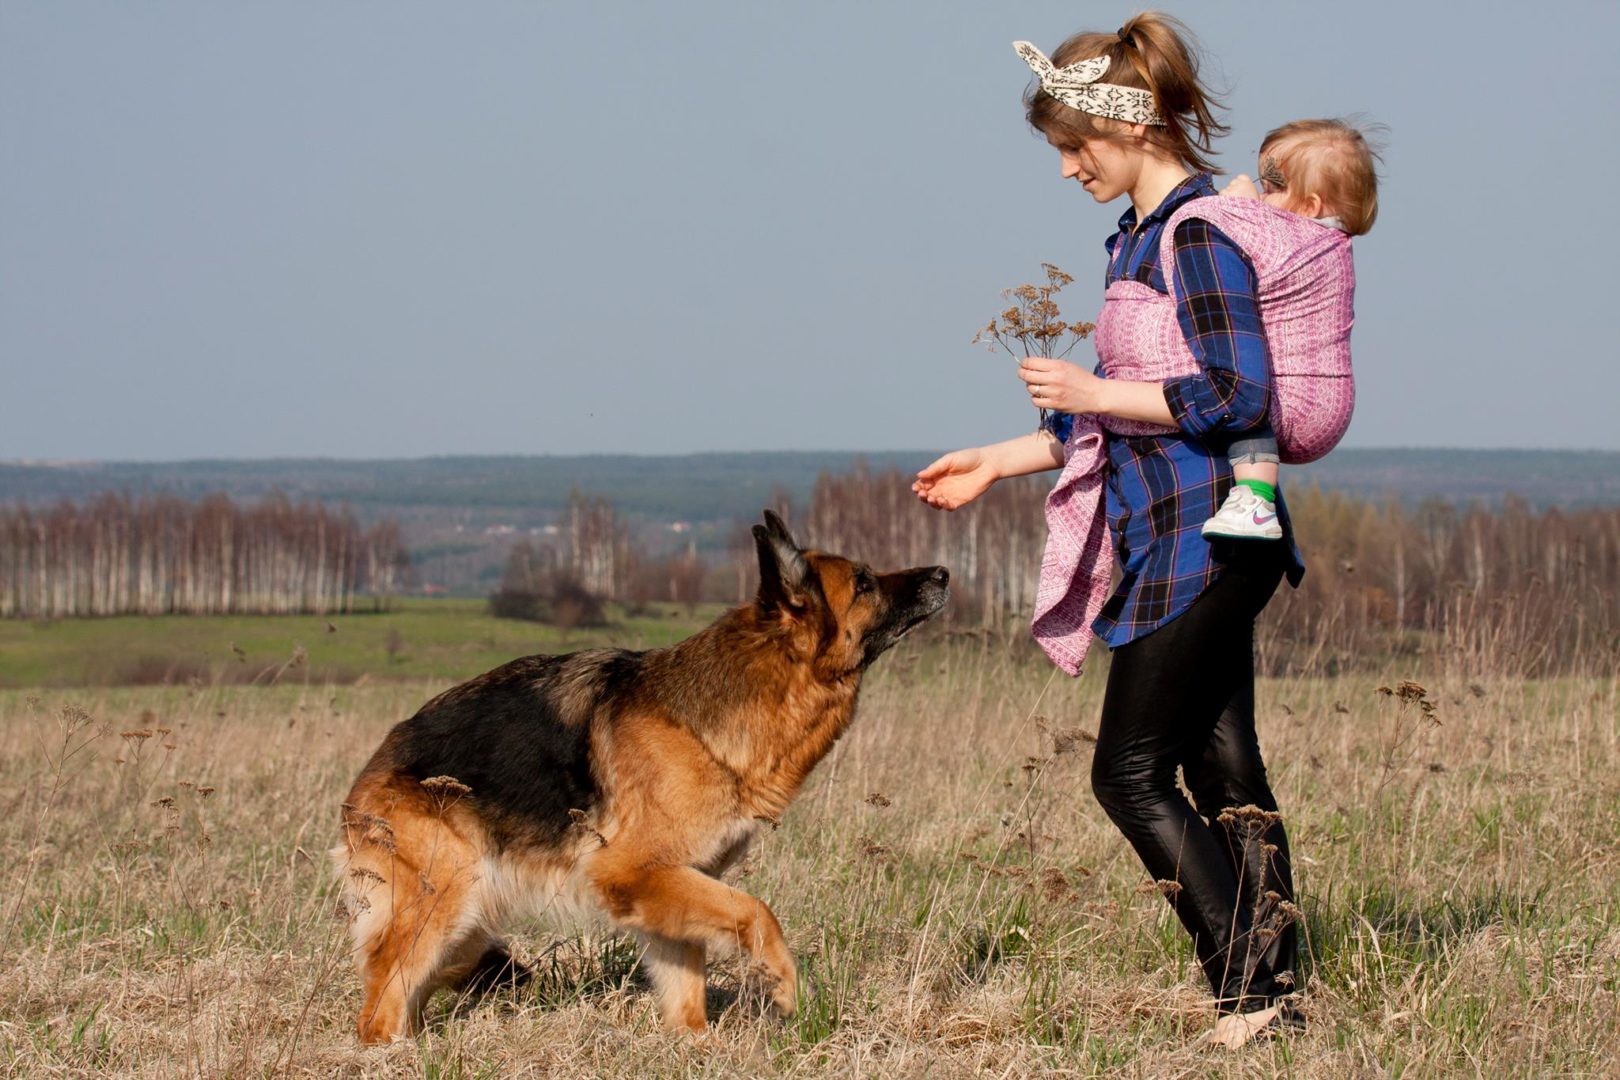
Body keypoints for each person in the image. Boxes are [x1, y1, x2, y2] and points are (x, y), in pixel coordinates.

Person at [913, 13, 1306, 1049]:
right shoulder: (1134, 236)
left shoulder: (1198, 233)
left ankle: (1250, 994)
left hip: (1211, 531)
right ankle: (1282, 986)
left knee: (1127, 774)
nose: (1065, 168)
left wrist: (1094, 386)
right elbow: (1113, 411)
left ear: (1125, 128)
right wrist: (1001, 458)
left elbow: (1236, 392)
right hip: (1183, 530)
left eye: (1071, 145)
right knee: (1224, 772)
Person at [1199, 119, 1381, 540]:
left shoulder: (1307, 243)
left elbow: (1255, 241)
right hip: (1324, 402)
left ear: (1312, 206)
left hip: (1301, 400)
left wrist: (1242, 207)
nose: (1264, 195)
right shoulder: (1328, 244)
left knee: (1243, 400)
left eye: (1274, 188)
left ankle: (1256, 500)